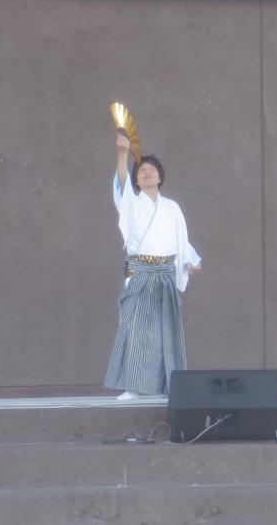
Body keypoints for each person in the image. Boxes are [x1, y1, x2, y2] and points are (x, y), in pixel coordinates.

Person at [104, 132, 201, 400]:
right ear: (136, 180)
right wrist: (123, 154)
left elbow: (181, 239)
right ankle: (133, 387)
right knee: (135, 329)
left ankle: (171, 387)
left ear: (160, 177)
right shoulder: (130, 203)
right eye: (142, 171)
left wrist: (191, 260)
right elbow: (121, 182)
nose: (147, 172)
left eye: (152, 170)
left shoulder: (172, 208)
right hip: (140, 271)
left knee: (166, 331)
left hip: (165, 273)